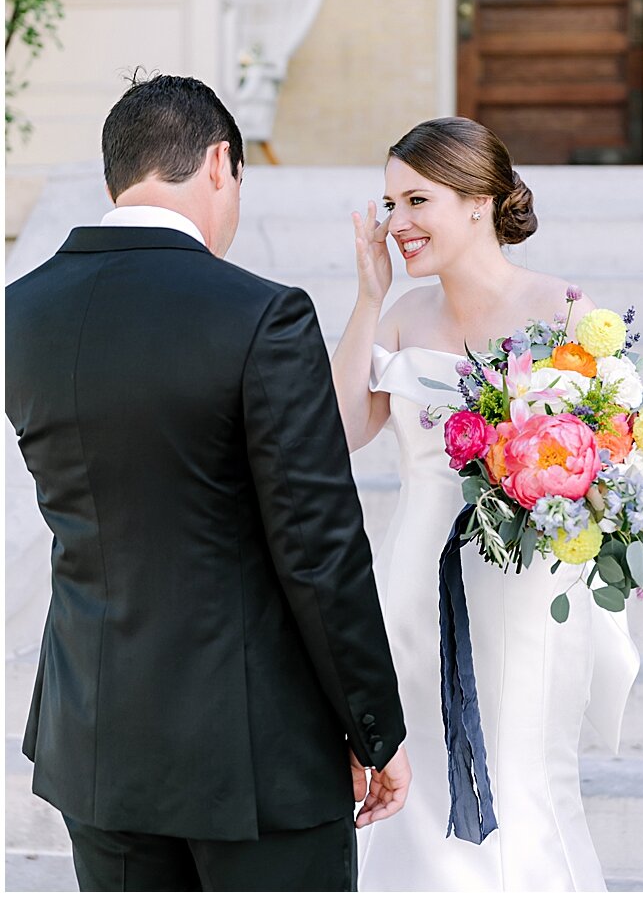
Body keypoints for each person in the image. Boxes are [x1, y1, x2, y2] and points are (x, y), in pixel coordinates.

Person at [5, 74, 410, 891]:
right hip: (256, 756)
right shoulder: (262, 314)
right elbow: (319, 548)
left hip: (96, 740)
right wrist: (374, 728)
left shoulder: (22, 309)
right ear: (220, 163)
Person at [332, 116, 639, 890]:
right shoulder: (402, 319)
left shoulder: (566, 312)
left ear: (477, 201)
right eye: (390, 204)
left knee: (525, 771)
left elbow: (624, 452)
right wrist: (369, 297)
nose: (397, 223)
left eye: (416, 201)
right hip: (415, 579)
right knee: (422, 777)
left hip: (529, 579)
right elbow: (340, 430)